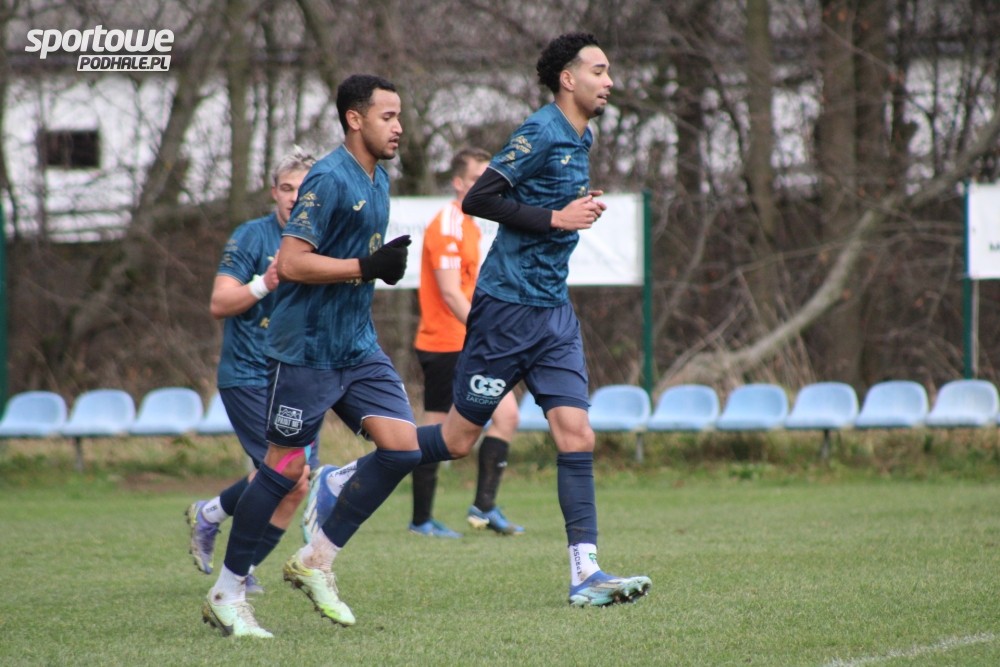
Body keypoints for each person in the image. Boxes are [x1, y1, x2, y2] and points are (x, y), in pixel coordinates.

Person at [408, 33, 651, 607]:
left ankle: (586, 574)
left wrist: (574, 208)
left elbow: (550, 204)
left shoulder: (583, 135)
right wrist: (557, 218)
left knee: (578, 434)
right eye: (599, 70)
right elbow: (480, 199)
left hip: (553, 311)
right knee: (458, 440)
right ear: (568, 79)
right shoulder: (540, 130)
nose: (609, 81)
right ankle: (346, 479)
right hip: (507, 308)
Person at [201, 74, 420, 638]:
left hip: (358, 346)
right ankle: (227, 592)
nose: (398, 127)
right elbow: (294, 263)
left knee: (403, 449)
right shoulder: (326, 178)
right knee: (283, 471)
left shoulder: (379, 177)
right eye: (388, 117)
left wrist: (374, 266)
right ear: (355, 119)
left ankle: (315, 560)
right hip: (306, 352)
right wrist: (365, 267)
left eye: (399, 116)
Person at [304, 148, 523, 540]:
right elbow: (451, 293)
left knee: (491, 421)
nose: (484, 186)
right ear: (458, 183)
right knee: (444, 432)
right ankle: (409, 509)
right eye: (476, 179)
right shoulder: (448, 225)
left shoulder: (471, 226)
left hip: (467, 342)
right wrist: (488, 333)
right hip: (448, 344)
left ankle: (477, 506)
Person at [185, 147, 319, 594]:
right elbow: (219, 303)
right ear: (273, 192)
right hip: (249, 373)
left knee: (295, 482)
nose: (294, 197)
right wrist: (266, 282)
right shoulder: (251, 237)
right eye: (287, 188)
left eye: (304, 190)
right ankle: (232, 564)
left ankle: (221, 532)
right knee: (288, 473)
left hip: (298, 376)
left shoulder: (326, 238)